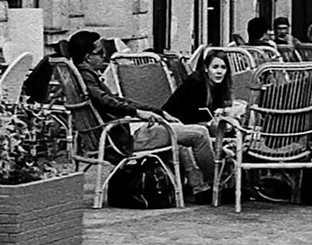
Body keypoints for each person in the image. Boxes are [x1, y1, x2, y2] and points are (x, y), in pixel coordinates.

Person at [68, 35, 215, 201]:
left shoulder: (80, 76)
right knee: (200, 134)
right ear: (88, 57)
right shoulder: (87, 77)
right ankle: (215, 184)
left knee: (181, 137)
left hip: (117, 135)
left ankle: (199, 187)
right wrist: (137, 113)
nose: (105, 56)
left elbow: (116, 101)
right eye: (101, 52)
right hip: (125, 139)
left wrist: (156, 111)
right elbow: (106, 102)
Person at [164, 52, 234, 126]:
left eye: (223, 67)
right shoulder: (196, 82)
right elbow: (194, 114)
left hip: (191, 123)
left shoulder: (220, 85)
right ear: (206, 68)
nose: (219, 71)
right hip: (173, 123)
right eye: (215, 67)